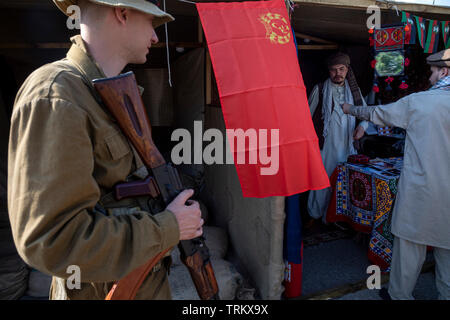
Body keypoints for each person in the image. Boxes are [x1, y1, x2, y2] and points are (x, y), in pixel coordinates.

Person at [7, 0, 204, 300]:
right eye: (151, 23)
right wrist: (168, 227)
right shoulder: (56, 95)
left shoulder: (110, 97)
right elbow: (52, 241)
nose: (155, 37)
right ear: (122, 13)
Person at [342, 48, 450, 300]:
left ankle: (400, 295)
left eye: (433, 73)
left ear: (444, 71)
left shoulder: (420, 102)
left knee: (410, 246)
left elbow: (379, 114)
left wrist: (350, 109)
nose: (431, 78)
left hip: (422, 192)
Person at [307, 52, 369, 223]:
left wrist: (362, 128)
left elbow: (366, 115)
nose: (337, 73)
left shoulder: (355, 93)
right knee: (322, 183)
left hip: (347, 146)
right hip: (325, 148)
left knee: (343, 183)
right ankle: (315, 215)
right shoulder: (319, 90)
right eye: (333, 70)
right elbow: (306, 118)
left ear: (347, 70)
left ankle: (337, 218)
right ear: (329, 71)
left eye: (341, 69)